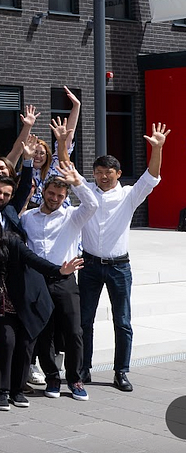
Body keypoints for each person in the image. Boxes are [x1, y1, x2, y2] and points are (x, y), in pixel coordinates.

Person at [0, 210, 84, 411]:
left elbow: (34, 260)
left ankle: (17, 391)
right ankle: (2, 392)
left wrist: (59, 271)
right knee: (7, 343)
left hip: (31, 303)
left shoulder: (11, 242)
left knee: (25, 348)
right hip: (4, 305)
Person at [80, 123, 168, 392]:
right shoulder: (86, 194)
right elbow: (67, 169)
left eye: (108, 173)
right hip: (89, 266)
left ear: (118, 174)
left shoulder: (129, 196)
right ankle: (83, 369)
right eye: (98, 173)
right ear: (93, 174)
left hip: (119, 268)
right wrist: (63, 143)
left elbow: (151, 176)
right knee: (84, 322)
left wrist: (158, 148)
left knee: (123, 322)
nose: (103, 177)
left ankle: (121, 372)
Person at [21, 164, 98, 401]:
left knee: (74, 331)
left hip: (65, 280)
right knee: (45, 332)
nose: (55, 199)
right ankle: (52, 376)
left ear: (65, 197)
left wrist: (77, 182)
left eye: (60, 196)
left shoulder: (72, 216)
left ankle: (74, 378)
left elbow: (92, 204)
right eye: (52, 193)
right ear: (44, 191)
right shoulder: (27, 218)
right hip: (38, 281)